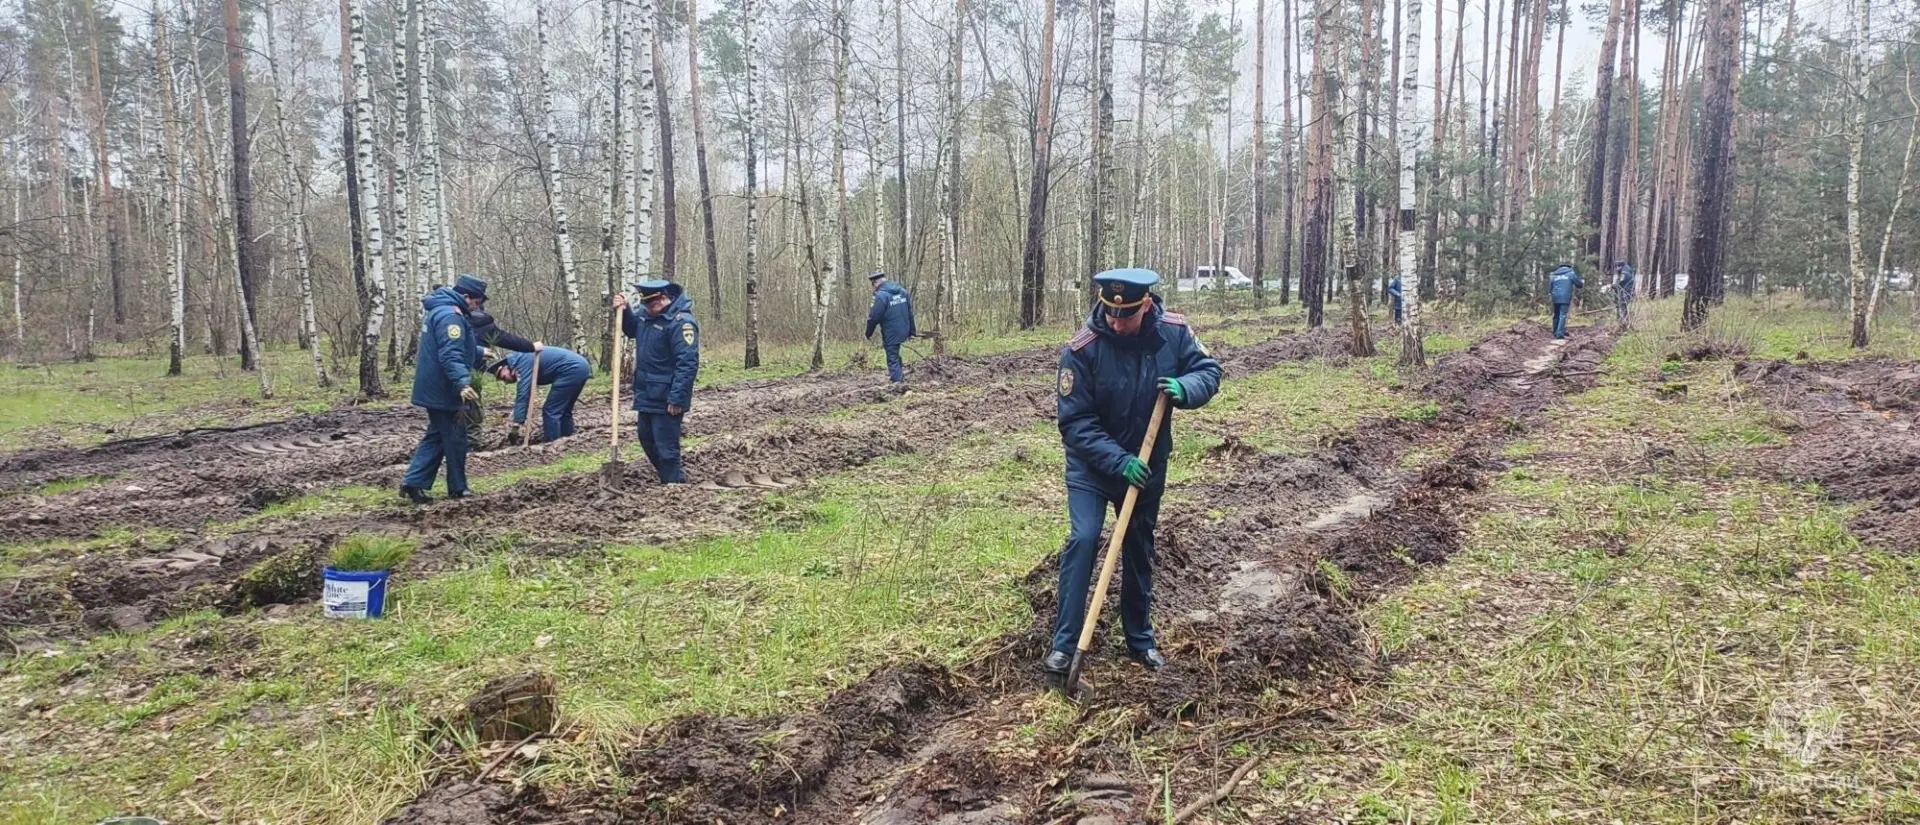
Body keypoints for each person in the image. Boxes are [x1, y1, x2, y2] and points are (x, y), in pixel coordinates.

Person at [1042, 268, 1222, 677]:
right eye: (1110, 313)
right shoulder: (1082, 350)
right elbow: (1075, 423)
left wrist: (1187, 388)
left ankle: (1140, 641)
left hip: (1147, 464)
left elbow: (1208, 370)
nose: (1116, 323)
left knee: (1139, 545)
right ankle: (1064, 646)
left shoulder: (1173, 332)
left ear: (1145, 305)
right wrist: (1119, 461)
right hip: (1092, 467)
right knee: (1084, 539)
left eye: (1126, 315)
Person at [400, 274, 487, 504]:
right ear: (466, 297)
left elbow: (450, 346)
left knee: (438, 435)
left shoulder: (440, 310)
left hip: (434, 385)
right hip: (443, 388)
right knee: (456, 438)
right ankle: (458, 489)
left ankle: (414, 482)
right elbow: (450, 353)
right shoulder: (451, 316)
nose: (476, 307)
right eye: (476, 302)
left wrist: (478, 352)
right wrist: (463, 383)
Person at [613, 279, 700, 484]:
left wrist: (677, 398)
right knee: (646, 439)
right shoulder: (646, 316)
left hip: (667, 396)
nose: (648, 307)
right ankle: (671, 478)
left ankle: (673, 486)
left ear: (664, 298)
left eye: (652, 303)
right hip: (646, 392)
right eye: (645, 303)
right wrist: (624, 311)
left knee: (666, 446)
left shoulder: (681, 323)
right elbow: (632, 329)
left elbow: (687, 363)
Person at [462, 296, 543, 443]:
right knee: (467, 413)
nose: (503, 380)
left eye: (501, 376)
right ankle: (469, 447)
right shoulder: (458, 320)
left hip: (465, 374)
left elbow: (504, 338)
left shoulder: (479, 321)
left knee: (470, 414)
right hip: (461, 375)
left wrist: (530, 346)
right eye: (499, 377)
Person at [487, 345, 591, 443]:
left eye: (502, 377)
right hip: (581, 366)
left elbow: (523, 394)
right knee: (564, 410)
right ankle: (568, 441)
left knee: (551, 410)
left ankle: (552, 445)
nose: (505, 381)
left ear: (505, 367)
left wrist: (517, 423)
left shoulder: (521, 363)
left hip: (571, 369)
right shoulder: (522, 358)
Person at [864, 271, 917, 384]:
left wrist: (868, 332)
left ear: (876, 282)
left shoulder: (881, 296)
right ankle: (899, 375)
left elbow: (874, 317)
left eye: (873, 284)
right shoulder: (902, 291)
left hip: (891, 331)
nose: (874, 287)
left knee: (892, 357)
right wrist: (912, 331)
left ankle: (897, 383)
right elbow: (909, 313)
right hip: (904, 329)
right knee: (895, 353)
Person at [1549, 263, 1583, 340]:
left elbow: (1550, 287)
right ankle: (1560, 334)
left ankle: (1555, 332)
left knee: (1556, 314)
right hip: (1565, 297)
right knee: (1563, 314)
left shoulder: (1553, 275)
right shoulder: (1571, 274)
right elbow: (1579, 284)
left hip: (1555, 297)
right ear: (1569, 267)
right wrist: (1581, 281)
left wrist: (1552, 294)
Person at [1610, 260, 1636, 327]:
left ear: (1621, 266)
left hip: (1624, 292)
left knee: (1622, 307)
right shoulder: (1626, 271)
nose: (1616, 268)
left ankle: (1623, 322)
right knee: (1623, 307)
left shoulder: (1624, 273)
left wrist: (1611, 286)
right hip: (1625, 292)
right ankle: (1623, 322)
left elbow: (1619, 283)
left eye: (1617, 267)